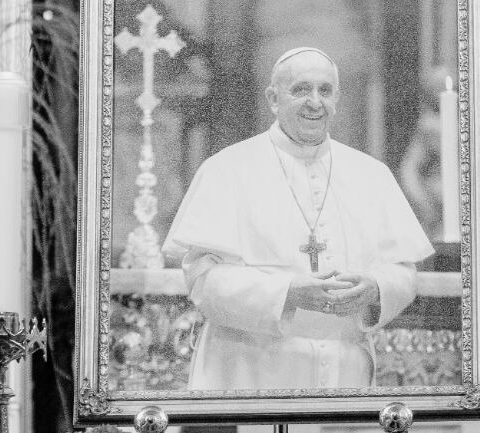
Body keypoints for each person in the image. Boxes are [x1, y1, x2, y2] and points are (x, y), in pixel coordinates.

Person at [164, 46, 435, 390]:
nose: (315, 102)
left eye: (325, 90)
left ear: (337, 98)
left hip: (344, 372)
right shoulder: (227, 169)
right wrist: (287, 292)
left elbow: (403, 271)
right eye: (301, 89)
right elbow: (204, 282)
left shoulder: (371, 174)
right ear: (273, 99)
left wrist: (376, 287)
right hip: (247, 370)